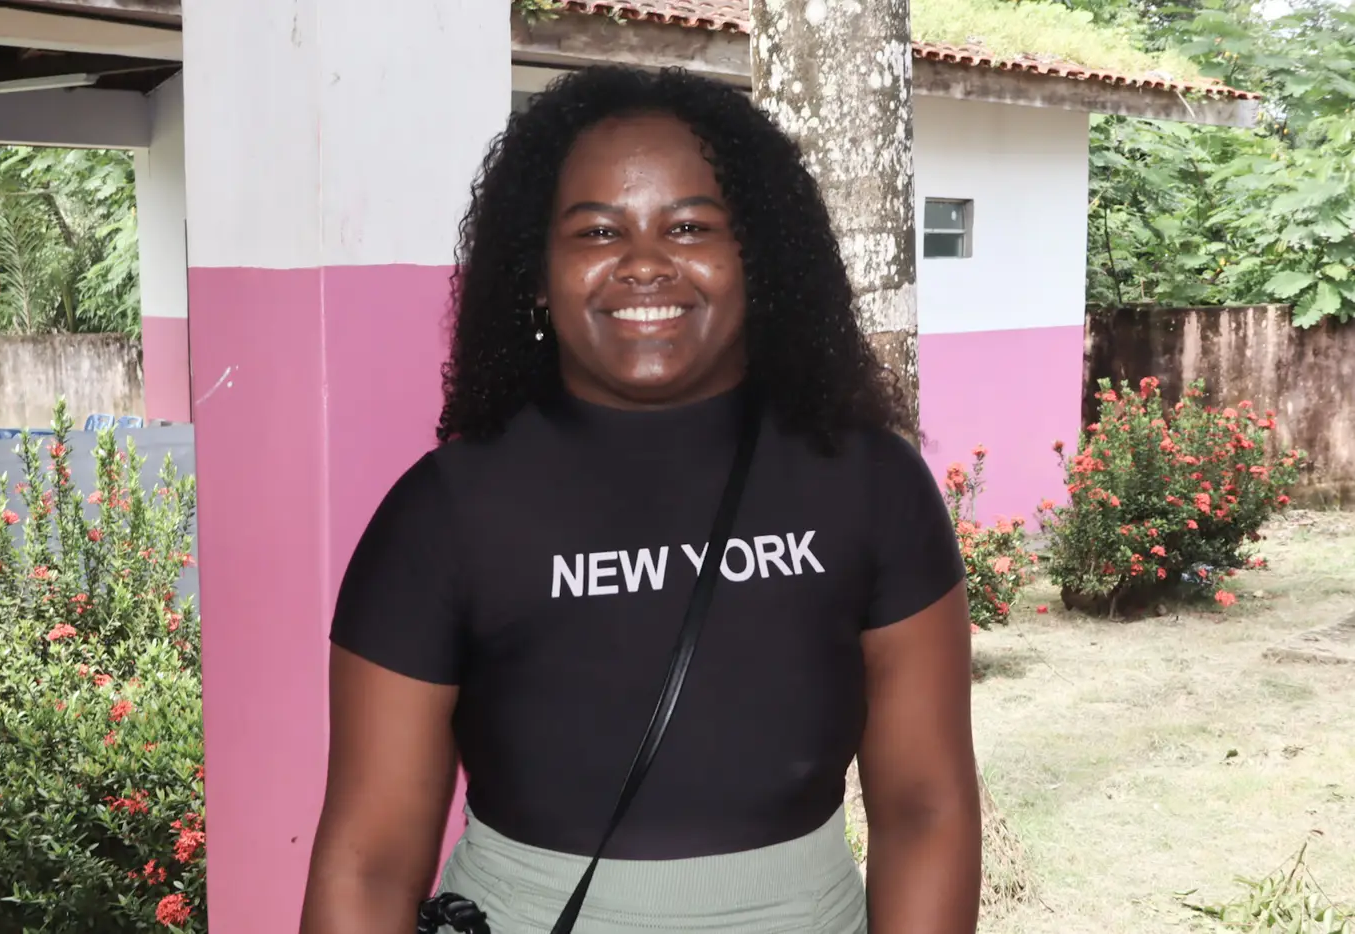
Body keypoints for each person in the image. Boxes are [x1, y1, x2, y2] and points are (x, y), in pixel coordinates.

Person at [300, 65, 981, 934]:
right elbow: (367, 862)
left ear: (756, 256)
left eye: (689, 226)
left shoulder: (871, 484)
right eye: (597, 232)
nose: (645, 264)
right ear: (536, 273)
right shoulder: (441, 516)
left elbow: (926, 808)